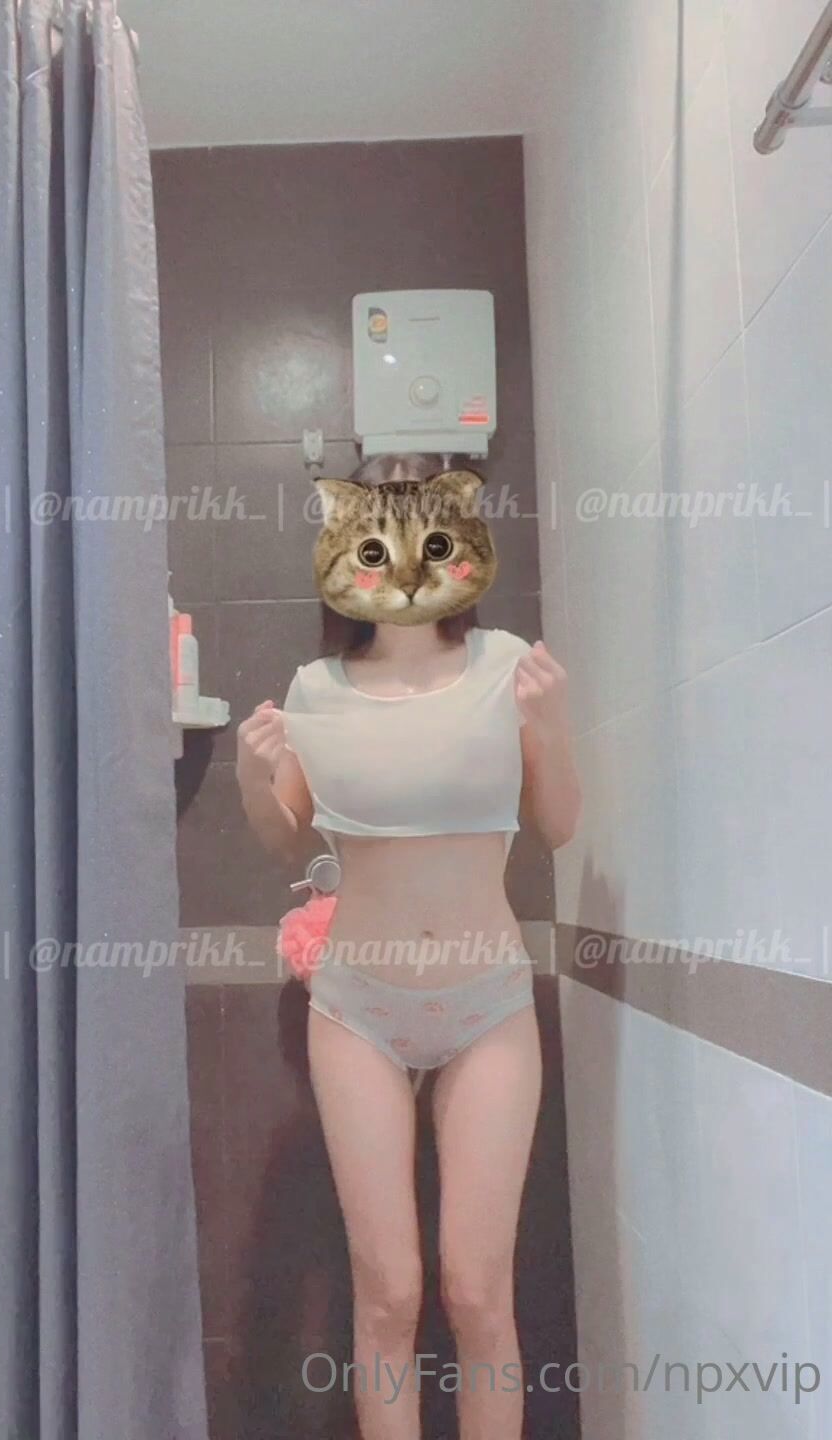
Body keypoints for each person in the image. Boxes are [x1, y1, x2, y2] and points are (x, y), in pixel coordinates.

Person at [235, 451, 580, 1440]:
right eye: (376, 550)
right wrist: (257, 776)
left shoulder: (508, 666)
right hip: (358, 1009)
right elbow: (286, 839)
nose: (403, 569)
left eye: (427, 544)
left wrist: (552, 726)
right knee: (387, 1291)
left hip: (487, 1005)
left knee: (477, 1290)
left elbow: (557, 825)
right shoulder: (316, 689)